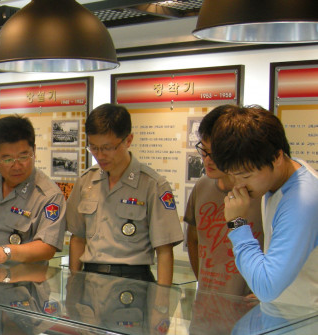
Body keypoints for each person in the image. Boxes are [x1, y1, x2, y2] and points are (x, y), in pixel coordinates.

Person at [67, 103, 183, 284]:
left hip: (133, 281)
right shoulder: (86, 181)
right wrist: (73, 283)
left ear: (128, 140)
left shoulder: (152, 185)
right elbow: (77, 238)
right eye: (94, 148)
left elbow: (164, 251)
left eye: (107, 148)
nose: (100, 155)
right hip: (90, 280)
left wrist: (162, 298)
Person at [214, 106, 318, 305]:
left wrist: (237, 223)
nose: (238, 185)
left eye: (245, 176)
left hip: (305, 319)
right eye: (232, 175)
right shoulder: (282, 177)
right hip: (289, 314)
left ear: (277, 157)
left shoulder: (302, 200)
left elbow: (267, 287)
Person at [184, 105, 263, 295]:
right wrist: (202, 282)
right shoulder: (202, 186)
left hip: (248, 305)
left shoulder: (260, 193)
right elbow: (193, 239)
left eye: (215, 153)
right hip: (207, 303)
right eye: (204, 150)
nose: (208, 160)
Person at [0, 115, 66, 268]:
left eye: (23, 156)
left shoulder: (48, 195)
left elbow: (47, 248)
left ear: (34, 150)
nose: (17, 166)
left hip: (20, 280)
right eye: (7, 159)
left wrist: (7, 251)